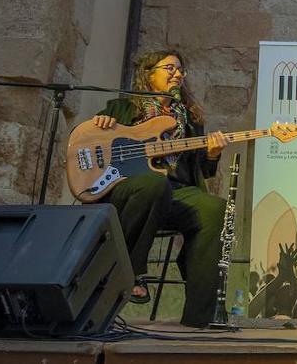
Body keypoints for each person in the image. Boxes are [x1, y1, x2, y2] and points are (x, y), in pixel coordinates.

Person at [90, 49, 229, 327]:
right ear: (148, 74)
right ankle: (130, 271)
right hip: (129, 188)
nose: (177, 74)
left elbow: (200, 168)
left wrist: (212, 155)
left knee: (214, 208)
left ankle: (200, 317)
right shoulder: (123, 109)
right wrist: (101, 124)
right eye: (169, 68)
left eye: (180, 70)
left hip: (176, 191)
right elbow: (90, 142)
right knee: (155, 184)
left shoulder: (189, 119)